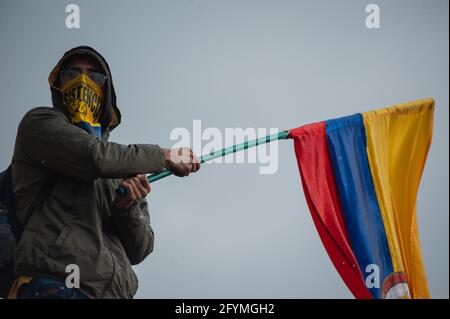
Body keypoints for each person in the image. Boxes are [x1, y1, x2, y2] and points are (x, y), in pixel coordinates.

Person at [8, 46, 200, 299]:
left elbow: (139, 249)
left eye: (94, 76)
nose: (83, 81)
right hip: (53, 286)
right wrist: (163, 156)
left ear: (106, 91)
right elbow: (93, 157)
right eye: (71, 74)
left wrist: (126, 207)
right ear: (57, 84)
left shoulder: (121, 166)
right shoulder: (39, 123)